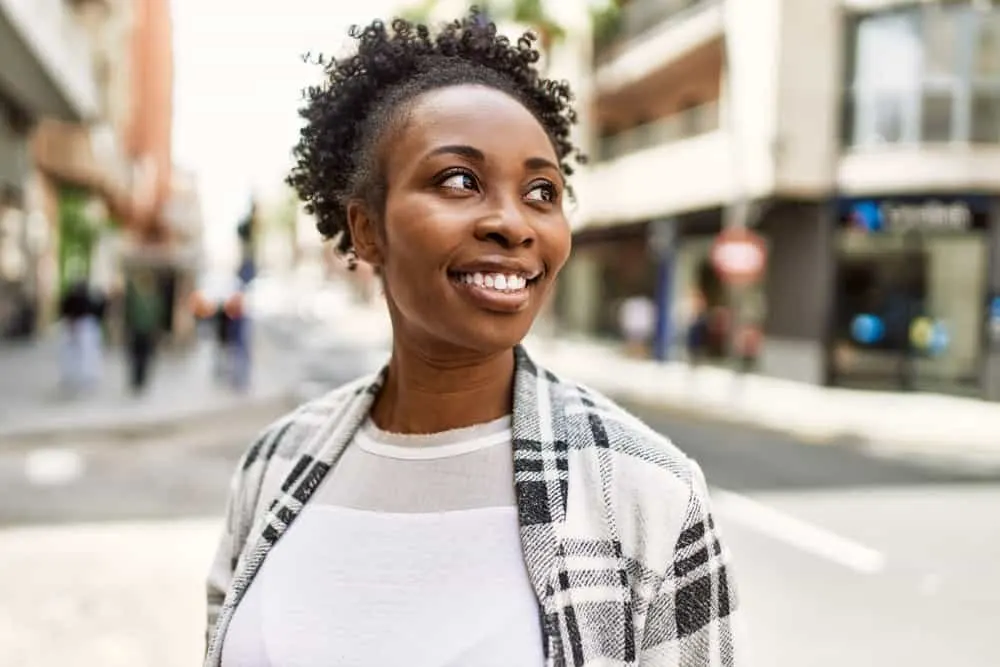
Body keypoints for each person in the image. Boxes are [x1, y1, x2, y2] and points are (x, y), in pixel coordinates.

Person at [204, 11, 741, 667]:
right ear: (367, 228)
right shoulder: (272, 466)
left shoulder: (647, 492)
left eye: (542, 191)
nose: (515, 224)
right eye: (459, 179)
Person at [123, 270, 162, 393]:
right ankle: (135, 379)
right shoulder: (135, 299)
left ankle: (142, 380)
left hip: (147, 333)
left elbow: (158, 317)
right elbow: (129, 315)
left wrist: (156, 331)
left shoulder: (154, 300)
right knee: (135, 357)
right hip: (136, 331)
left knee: (145, 358)